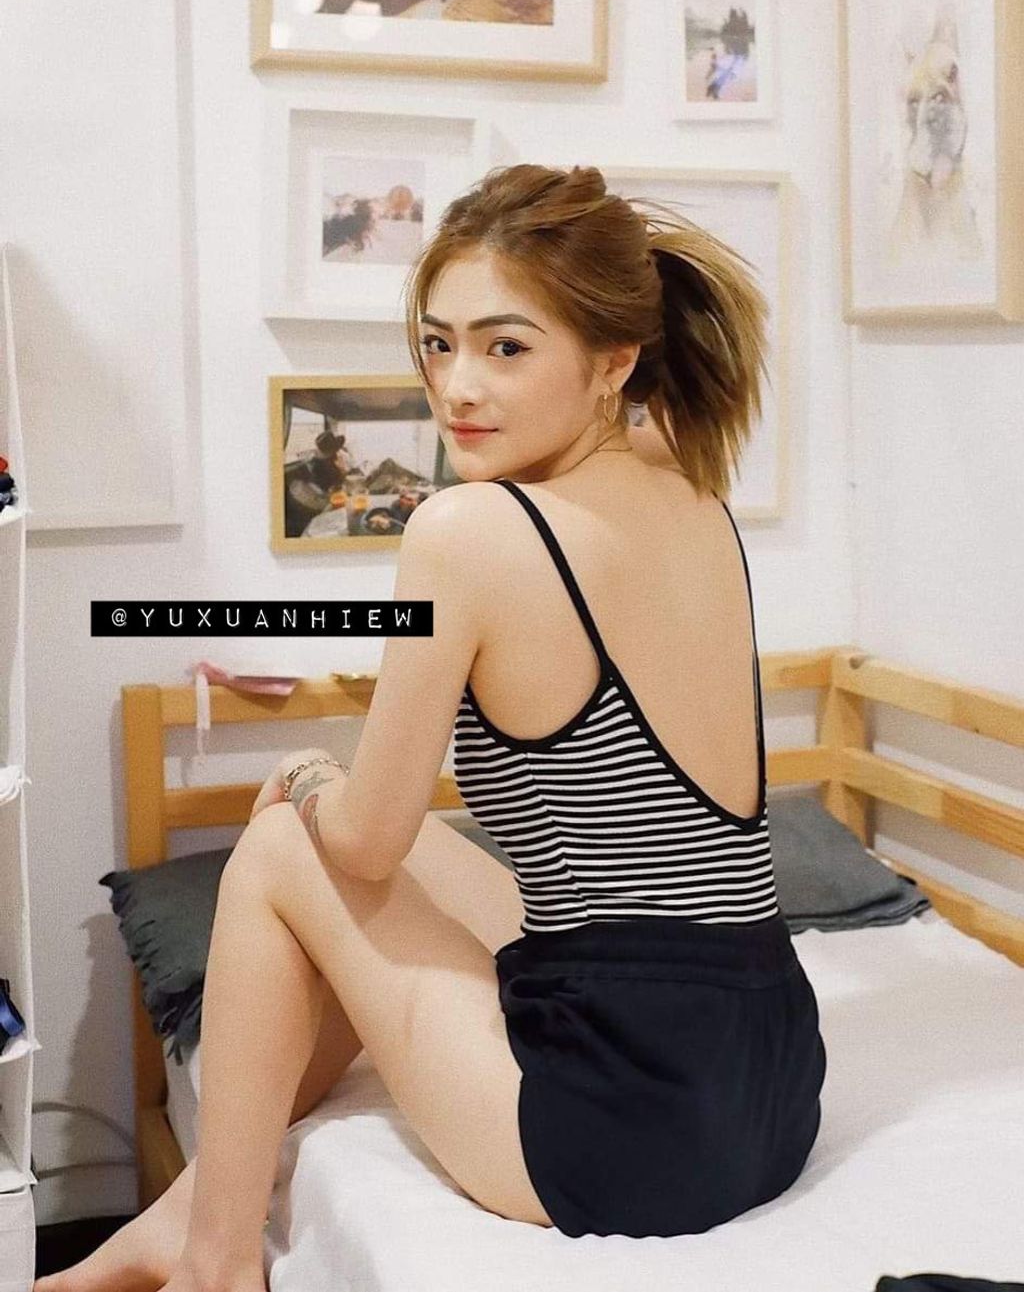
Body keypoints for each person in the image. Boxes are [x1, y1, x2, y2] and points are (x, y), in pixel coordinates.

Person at [43, 163, 826, 1289]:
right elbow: (397, 847)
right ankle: (193, 1206)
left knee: (283, 845)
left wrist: (306, 777)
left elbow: (359, 843)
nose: (458, 386)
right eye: (438, 343)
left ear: (613, 360)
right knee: (409, 855)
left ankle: (215, 1261)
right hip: (770, 1084)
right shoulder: (691, 483)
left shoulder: (469, 532)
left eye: (506, 348)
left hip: (624, 1137)